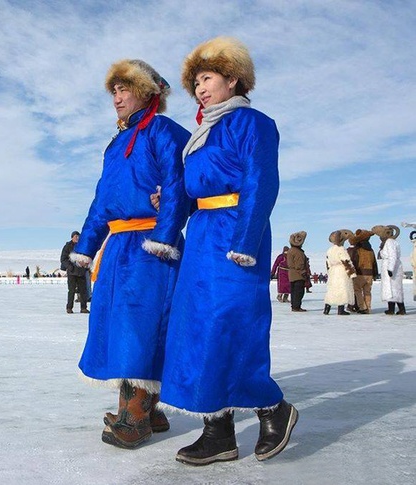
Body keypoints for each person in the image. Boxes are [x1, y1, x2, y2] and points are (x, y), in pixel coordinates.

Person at [159, 37, 298, 466]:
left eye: (207, 78)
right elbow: (189, 193)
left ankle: (273, 408)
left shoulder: (251, 124)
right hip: (201, 235)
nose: (200, 88)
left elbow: (262, 183)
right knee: (198, 326)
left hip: (236, 230)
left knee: (233, 321)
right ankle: (217, 431)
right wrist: (164, 209)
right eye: (196, 82)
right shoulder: (202, 134)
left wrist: (245, 242)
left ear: (232, 79)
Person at [69, 59, 190, 449]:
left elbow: (179, 185)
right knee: (116, 326)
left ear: (147, 91)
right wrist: (86, 246)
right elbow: (102, 201)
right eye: (114, 91)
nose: (117, 97)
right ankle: (147, 409)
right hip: (118, 247)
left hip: (151, 246)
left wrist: (164, 236)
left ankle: (134, 416)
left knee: (142, 326)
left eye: (124, 89)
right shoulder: (115, 144)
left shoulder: (166, 132)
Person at [372, 225, 406, 315]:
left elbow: (392, 256)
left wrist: (390, 268)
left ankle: (398, 309)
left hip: (391, 267)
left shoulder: (389, 242)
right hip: (394, 267)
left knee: (392, 289)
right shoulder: (393, 242)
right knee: (393, 289)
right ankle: (394, 309)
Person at [323, 230, 356, 315]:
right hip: (341, 271)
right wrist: (352, 273)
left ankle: (326, 309)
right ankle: (340, 310)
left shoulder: (329, 250)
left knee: (332, 290)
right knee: (342, 288)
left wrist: (329, 272)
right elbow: (346, 261)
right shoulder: (341, 249)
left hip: (333, 271)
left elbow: (328, 263)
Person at [348, 229, 378, 314]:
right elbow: (374, 263)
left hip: (360, 273)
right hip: (370, 274)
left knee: (357, 291)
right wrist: (375, 274)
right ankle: (368, 308)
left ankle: (362, 307)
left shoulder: (357, 249)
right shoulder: (370, 250)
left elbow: (353, 261)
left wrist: (352, 272)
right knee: (367, 292)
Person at [60, 231, 88, 314]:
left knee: (83, 291)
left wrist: (86, 266)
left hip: (81, 272)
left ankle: (83, 308)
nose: (77, 238)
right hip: (72, 272)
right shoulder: (68, 246)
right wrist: (69, 267)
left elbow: (87, 257)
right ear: (72, 237)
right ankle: (69, 308)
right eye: (76, 236)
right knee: (71, 291)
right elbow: (63, 259)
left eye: (78, 236)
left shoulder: (82, 246)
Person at [287, 231, 308, 312]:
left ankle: (294, 306)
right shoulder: (298, 252)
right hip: (298, 274)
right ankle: (296, 306)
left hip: (292, 274)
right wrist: (303, 272)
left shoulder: (290, 250)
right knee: (299, 292)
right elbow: (299, 265)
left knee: (293, 291)